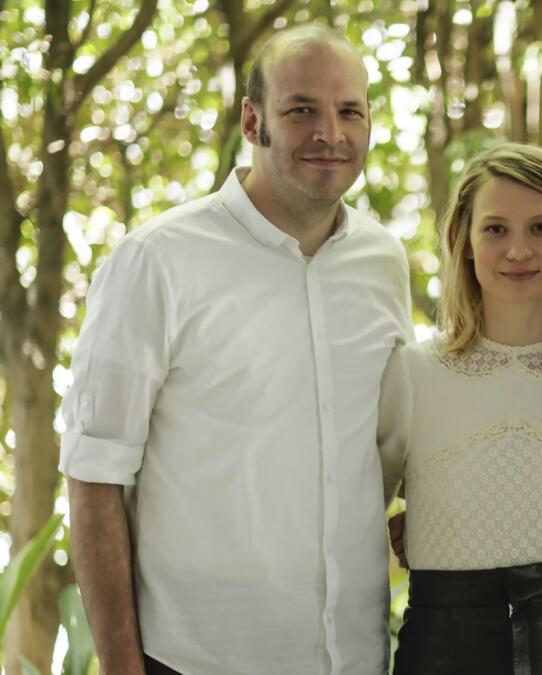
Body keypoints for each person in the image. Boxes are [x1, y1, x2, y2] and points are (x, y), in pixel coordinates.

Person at [61, 25, 413, 675]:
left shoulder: (383, 262)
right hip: (196, 659)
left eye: (350, 111)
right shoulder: (157, 261)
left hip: (357, 656)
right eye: (301, 108)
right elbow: (93, 474)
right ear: (254, 120)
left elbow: (385, 446)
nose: (329, 132)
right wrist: (119, 665)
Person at [378, 143, 542, 675]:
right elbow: (353, 525)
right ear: (465, 243)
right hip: (438, 651)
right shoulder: (409, 373)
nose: (518, 250)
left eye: (541, 227)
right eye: (496, 229)